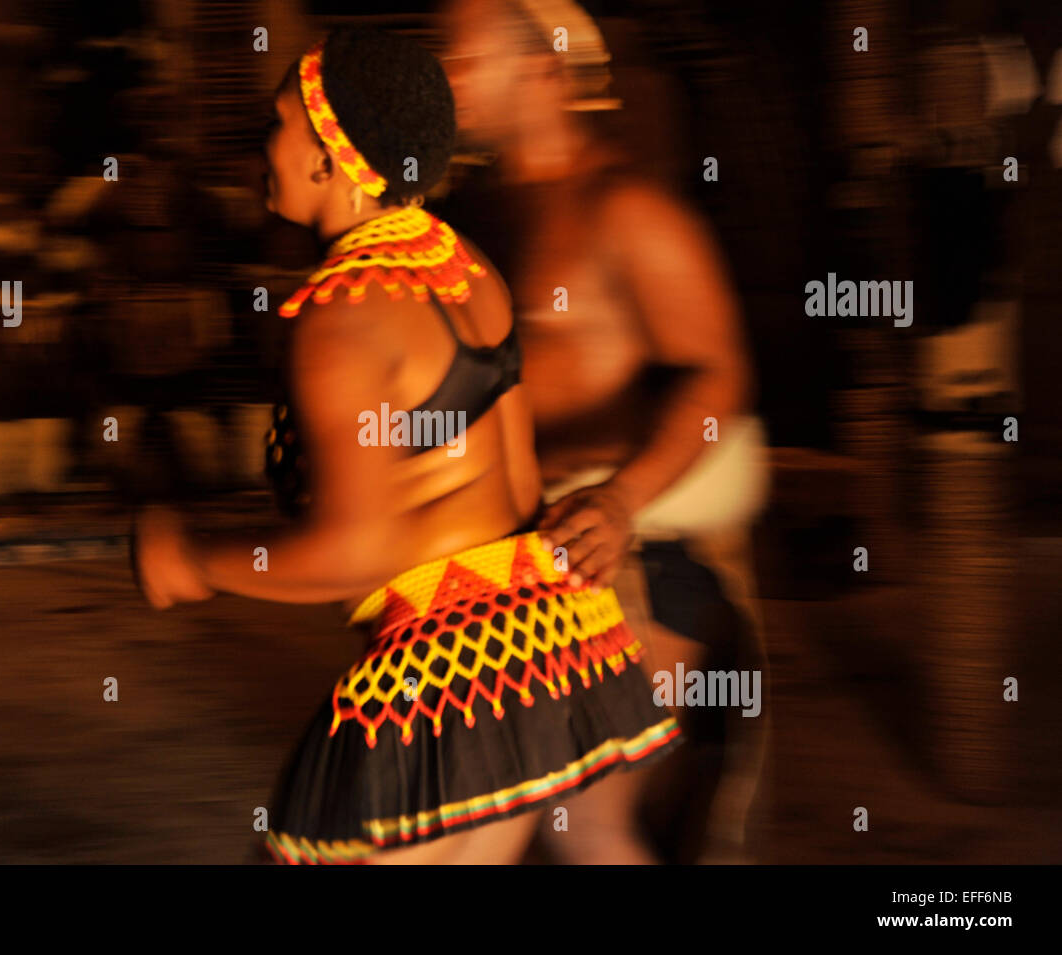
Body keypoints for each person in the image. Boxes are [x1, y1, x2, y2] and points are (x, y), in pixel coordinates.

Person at [133, 27, 681, 864]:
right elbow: (518, 480)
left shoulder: (343, 316)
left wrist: (194, 559)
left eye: (279, 123)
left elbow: (359, 550)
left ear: (331, 159)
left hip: (443, 678)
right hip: (546, 647)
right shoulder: (469, 268)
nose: (263, 145)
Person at [440, 0, 770, 862]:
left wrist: (622, 501)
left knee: (583, 824)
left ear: (542, 70)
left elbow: (719, 372)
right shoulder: (470, 213)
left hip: (626, 563)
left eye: (464, 56)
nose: (450, 78)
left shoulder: (625, 209)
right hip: (504, 566)